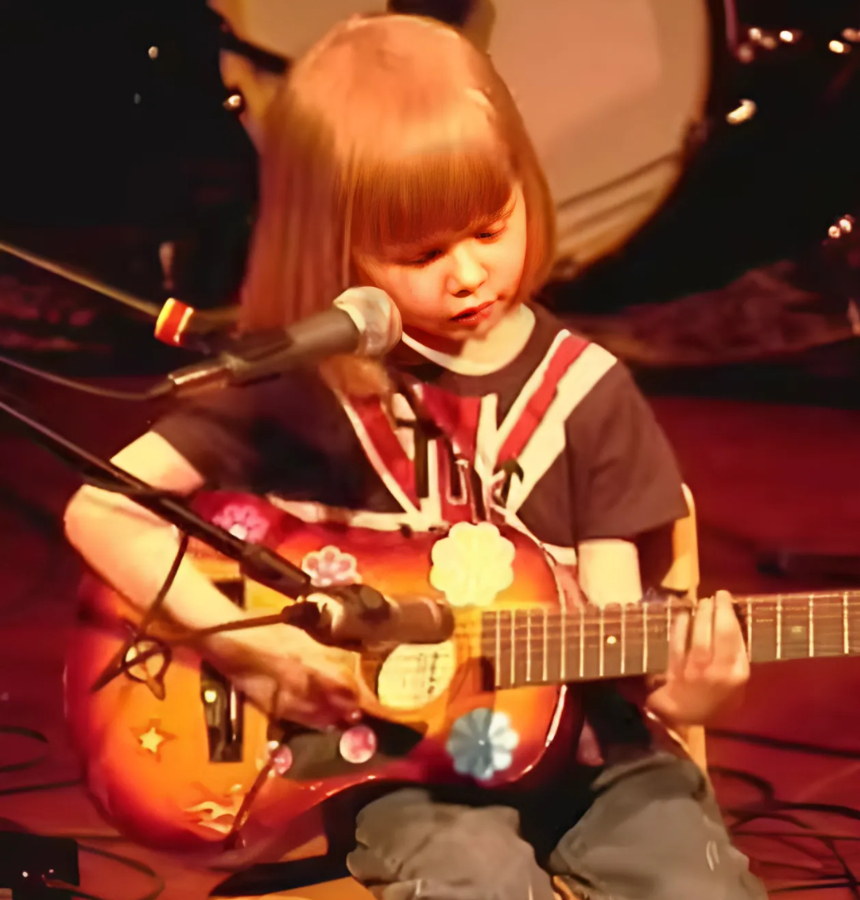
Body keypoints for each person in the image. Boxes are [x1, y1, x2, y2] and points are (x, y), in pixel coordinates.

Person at [64, 14, 765, 900]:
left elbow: (622, 630)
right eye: (423, 253)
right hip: (410, 774)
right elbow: (102, 507)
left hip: (599, 758)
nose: (469, 274)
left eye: (489, 226)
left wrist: (688, 696)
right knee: (474, 882)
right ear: (337, 246)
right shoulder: (309, 391)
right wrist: (247, 651)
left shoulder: (585, 393)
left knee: (695, 885)